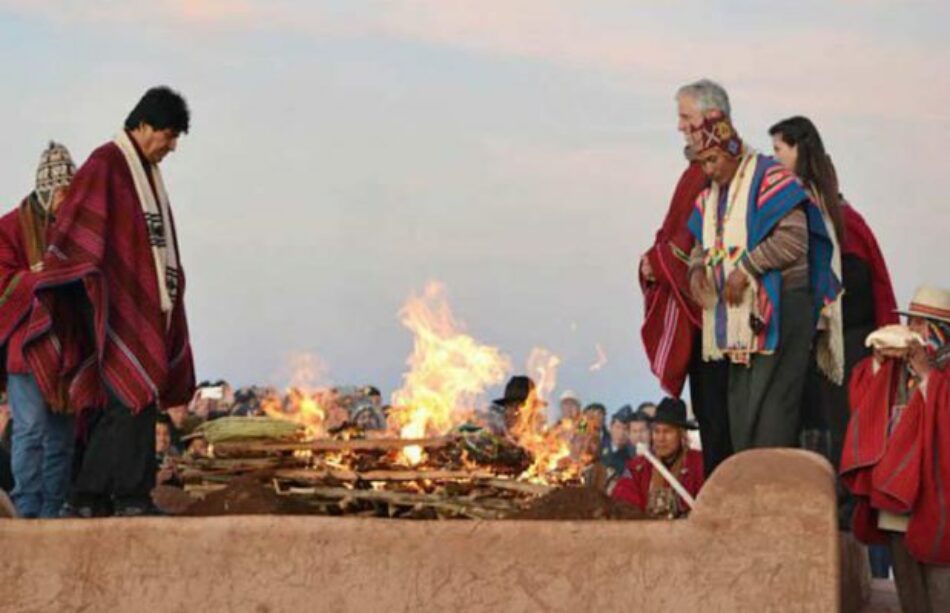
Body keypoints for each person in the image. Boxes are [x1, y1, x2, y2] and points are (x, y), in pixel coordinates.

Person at [0, 87, 197, 517]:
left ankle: (90, 497)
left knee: (117, 409)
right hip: (87, 321)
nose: (171, 146)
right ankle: (97, 499)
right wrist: (57, 282)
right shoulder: (106, 165)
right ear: (143, 126)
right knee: (111, 405)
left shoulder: (140, 174)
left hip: (128, 313)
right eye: (168, 135)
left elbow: (139, 249)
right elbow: (79, 244)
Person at [769, 116, 898, 526]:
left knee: (840, 431)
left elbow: (865, 282)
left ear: (799, 150)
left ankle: (843, 517)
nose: (773, 160)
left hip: (847, 345)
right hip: (808, 343)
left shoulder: (840, 219)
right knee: (807, 428)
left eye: (779, 151)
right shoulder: (790, 212)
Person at [686, 111, 839, 451]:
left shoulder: (772, 180)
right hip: (740, 317)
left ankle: (770, 495)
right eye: (702, 163)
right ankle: (751, 492)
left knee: (773, 411)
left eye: (713, 160)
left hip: (783, 307)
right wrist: (697, 270)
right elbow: (700, 245)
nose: (708, 170)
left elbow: (794, 241)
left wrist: (746, 269)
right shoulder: (711, 198)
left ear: (733, 150)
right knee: (742, 412)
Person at [641, 80, 733, 478]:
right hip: (705, 314)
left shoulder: (715, 174)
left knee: (719, 419)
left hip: (716, 313)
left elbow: (693, 238)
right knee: (711, 418)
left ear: (711, 118)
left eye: (685, 117)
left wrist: (659, 263)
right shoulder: (692, 174)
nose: (680, 126)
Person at [840, 286, 950, 611]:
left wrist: (928, 376)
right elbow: (863, 403)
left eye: (919, 323)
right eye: (911, 321)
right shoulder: (894, 367)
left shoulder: (942, 372)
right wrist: (877, 361)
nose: (912, 330)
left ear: (938, 332)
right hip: (896, 500)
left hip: (935, 498)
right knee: (909, 593)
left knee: (941, 594)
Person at [0, 142, 78, 518]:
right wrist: (39, 280)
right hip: (26, 347)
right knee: (29, 430)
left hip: (67, 347)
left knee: (62, 435)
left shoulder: (79, 229)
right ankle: (27, 506)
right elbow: (2, 280)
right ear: (49, 190)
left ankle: (53, 506)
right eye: (65, 191)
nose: (69, 199)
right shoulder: (10, 226)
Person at [611, 397, 704, 518]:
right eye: (656, 431)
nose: (660, 438)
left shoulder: (698, 464)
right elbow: (622, 501)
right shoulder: (638, 467)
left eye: (667, 432)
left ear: (681, 434)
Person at [602, 405, 636, 475]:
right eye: (618, 427)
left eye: (625, 429)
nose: (621, 433)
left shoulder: (631, 455)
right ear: (610, 427)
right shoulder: (598, 446)